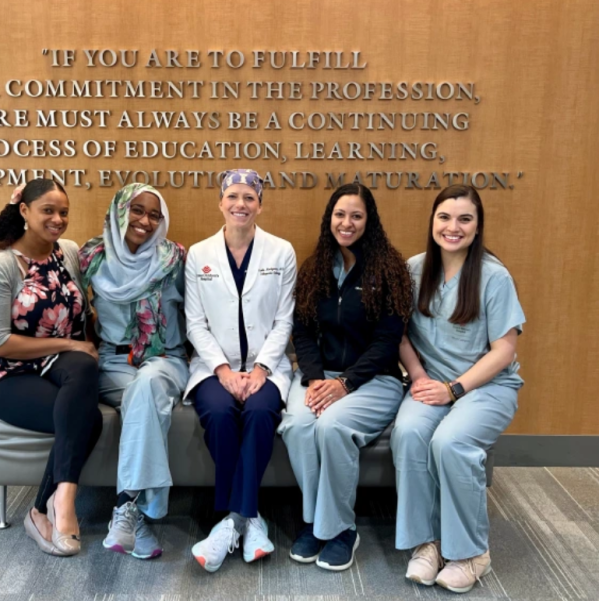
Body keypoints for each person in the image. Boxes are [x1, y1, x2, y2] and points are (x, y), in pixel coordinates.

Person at [391, 184, 525, 594]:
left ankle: (471, 552)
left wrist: (454, 388)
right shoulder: (413, 269)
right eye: (445, 218)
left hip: (485, 388)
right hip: (430, 383)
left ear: (478, 225)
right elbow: (396, 333)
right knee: (410, 435)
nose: (453, 227)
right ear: (432, 222)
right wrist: (418, 377)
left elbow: (504, 350)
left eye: (465, 219)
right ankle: (427, 543)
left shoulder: (493, 276)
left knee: (450, 443)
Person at [278, 183, 412, 571]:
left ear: (369, 221)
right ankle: (316, 524)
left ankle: (341, 530)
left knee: (332, 426)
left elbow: (388, 341)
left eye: (356, 215)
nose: (347, 223)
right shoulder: (316, 267)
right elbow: (301, 331)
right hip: (319, 378)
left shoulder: (389, 270)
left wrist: (345, 383)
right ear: (329, 218)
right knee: (300, 425)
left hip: (374, 381)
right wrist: (317, 378)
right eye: (340, 214)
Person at [0, 178, 102, 557]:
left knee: (83, 366)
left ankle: (51, 505)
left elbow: (84, 314)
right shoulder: (0, 266)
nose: (58, 219)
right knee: (87, 419)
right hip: (6, 375)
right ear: (24, 211)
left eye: (63, 212)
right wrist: (69, 343)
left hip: (58, 365)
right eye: (48, 210)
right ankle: (54, 508)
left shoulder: (70, 252)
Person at [184, 169, 296, 572]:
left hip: (268, 367)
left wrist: (263, 367)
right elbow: (194, 322)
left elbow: (285, 319)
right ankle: (250, 519)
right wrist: (223, 369)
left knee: (261, 411)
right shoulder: (199, 254)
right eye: (233, 196)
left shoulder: (281, 252)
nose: (240, 204)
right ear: (220, 202)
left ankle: (230, 522)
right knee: (216, 412)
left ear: (260, 205)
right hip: (215, 367)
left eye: (249, 197)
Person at [79, 183, 187, 560]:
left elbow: (200, 314)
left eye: (154, 214)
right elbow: (73, 311)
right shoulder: (91, 257)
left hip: (165, 361)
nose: (145, 220)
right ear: (120, 210)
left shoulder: (174, 259)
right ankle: (138, 517)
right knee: (144, 396)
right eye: (137, 210)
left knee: (148, 385)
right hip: (111, 363)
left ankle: (125, 508)